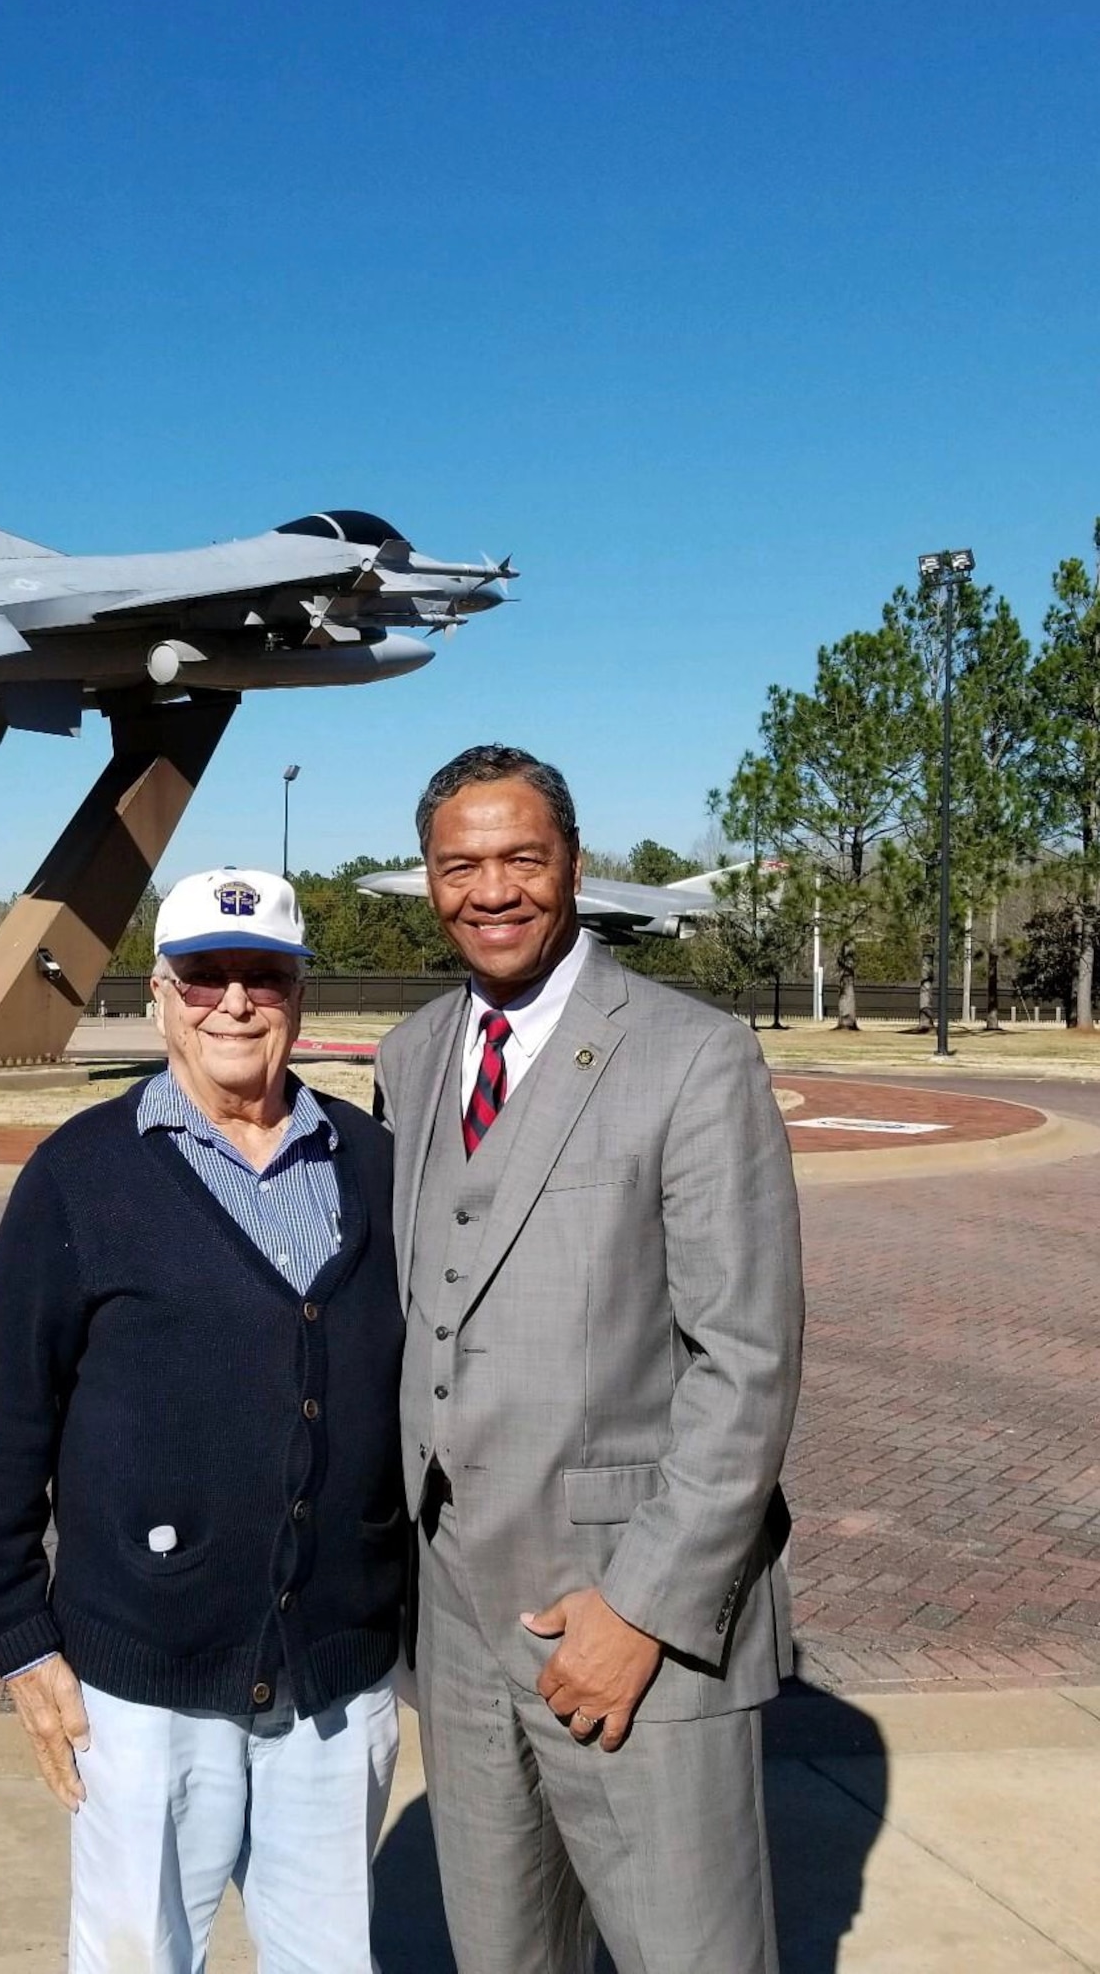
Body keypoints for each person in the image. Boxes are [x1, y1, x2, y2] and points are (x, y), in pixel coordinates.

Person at [374, 745, 804, 1974]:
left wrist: (646, 1608)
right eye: (461, 864)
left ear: (571, 866)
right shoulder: (408, 1059)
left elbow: (747, 1361)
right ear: (430, 879)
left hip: (623, 1620)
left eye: (521, 857)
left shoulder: (693, 1052)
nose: (491, 888)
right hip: (453, 1624)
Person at [0, 867, 406, 1974]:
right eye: (205, 974)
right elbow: (5, 1416)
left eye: (264, 974)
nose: (234, 1002)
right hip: (142, 1675)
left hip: (335, 1675)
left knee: (332, 1955)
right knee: (135, 1954)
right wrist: (20, 1636)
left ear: (302, 996)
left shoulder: (378, 1167)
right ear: (159, 992)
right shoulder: (80, 1174)